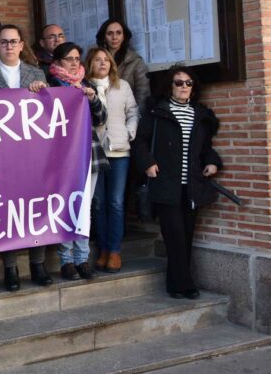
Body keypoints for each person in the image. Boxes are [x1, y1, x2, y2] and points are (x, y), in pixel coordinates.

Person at [0, 25, 52, 291]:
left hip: (33, 154)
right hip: (0, 155)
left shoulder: (36, 74)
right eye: (3, 42)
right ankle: (11, 268)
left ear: (21, 45)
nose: (8, 46)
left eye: (13, 41)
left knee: (37, 207)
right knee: (8, 211)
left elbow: (50, 114)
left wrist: (44, 93)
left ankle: (38, 264)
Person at [132, 66, 222, 299]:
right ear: (169, 87)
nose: (184, 87)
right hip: (166, 183)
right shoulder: (157, 112)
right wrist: (148, 164)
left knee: (187, 235)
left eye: (188, 83)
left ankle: (175, 284)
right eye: (178, 83)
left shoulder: (200, 115)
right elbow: (140, 143)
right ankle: (186, 284)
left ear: (194, 88)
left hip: (192, 185)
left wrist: (213, 163)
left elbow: (205, 148)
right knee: (174, 236)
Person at [48, 42, 108, 281]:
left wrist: (92, 98)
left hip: (88, 154)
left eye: (77, 58)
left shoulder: (87, 84)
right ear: (57, 61)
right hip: (60, 157)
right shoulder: (50, 84)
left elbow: (102, 117)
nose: (74, 62)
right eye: (68, 58)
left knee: (84, 209)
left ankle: (82, 259)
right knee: (64, 207)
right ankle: (66, 261)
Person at [86, 47, 139, 273]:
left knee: (115, 203)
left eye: (106, 60)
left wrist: (129, 132)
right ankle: (104, 249)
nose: (103, 63)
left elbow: (133, 112)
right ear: (90, 64)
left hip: (119, 151)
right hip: (94, 152)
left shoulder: (122, 86)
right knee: (98, 203)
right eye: (97, 60)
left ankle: (115, 250)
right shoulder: (84, 87)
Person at [96, 19, 151, 113]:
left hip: (128, 117)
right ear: (104, 37)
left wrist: (136, 122)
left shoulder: (136, 62)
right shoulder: (96, 60)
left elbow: (142, 96)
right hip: (101, 114)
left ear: (124, 36)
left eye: (118, 33)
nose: (114, 37)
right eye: (110, 33)